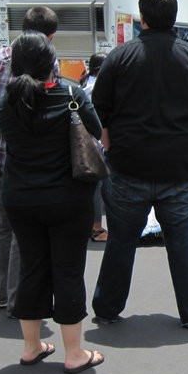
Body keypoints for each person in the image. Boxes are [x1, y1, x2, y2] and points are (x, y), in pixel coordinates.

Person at [91, 0, 188, 328]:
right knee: (182, 241)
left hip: (128, 165)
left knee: (121, 239)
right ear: (174, 17)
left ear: (143, 18)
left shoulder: (120, 57)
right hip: (180, 166)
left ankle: (107, 308)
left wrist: (111, 138)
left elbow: (98, 107)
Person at [0, 31, 104, 374]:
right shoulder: (72, 95)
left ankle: (32, 347)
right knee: (68, 271)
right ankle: (74, 354)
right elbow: (96, 130)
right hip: (68, 199)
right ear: (51, 64)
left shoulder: (7, 103)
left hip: (21, 199)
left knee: (32, 269)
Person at [0, 6, 59, 315]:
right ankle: (18, 299)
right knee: (22, 230)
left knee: (1, 226)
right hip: (21, 155)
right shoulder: (46, 60)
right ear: (50, 36)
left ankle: (0, 293)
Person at [81, 52, 109, 243]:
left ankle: (90, 225)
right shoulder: (98, 86)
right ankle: (96, 228)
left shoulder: (84, 83)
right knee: (99, 186)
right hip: (96, 143)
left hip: (84, 143)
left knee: (91, 187)